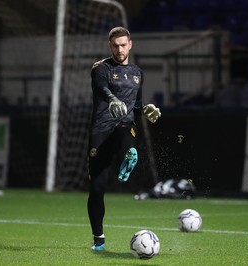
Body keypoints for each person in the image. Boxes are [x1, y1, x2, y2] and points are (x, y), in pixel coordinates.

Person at [87, 26, 161, 251]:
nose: (120, 49)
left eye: (123, 45)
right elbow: (101, 89)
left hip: (125, 125)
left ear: (130, 44)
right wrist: (112, 100)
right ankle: (98, 239)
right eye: (115, 45)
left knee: (126, 134)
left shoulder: (138, 73)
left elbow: (135, 105)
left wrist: (145, 109)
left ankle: (127, 157)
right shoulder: (101, 68)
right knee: (97, 188)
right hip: (100, 131)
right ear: (110, 46)